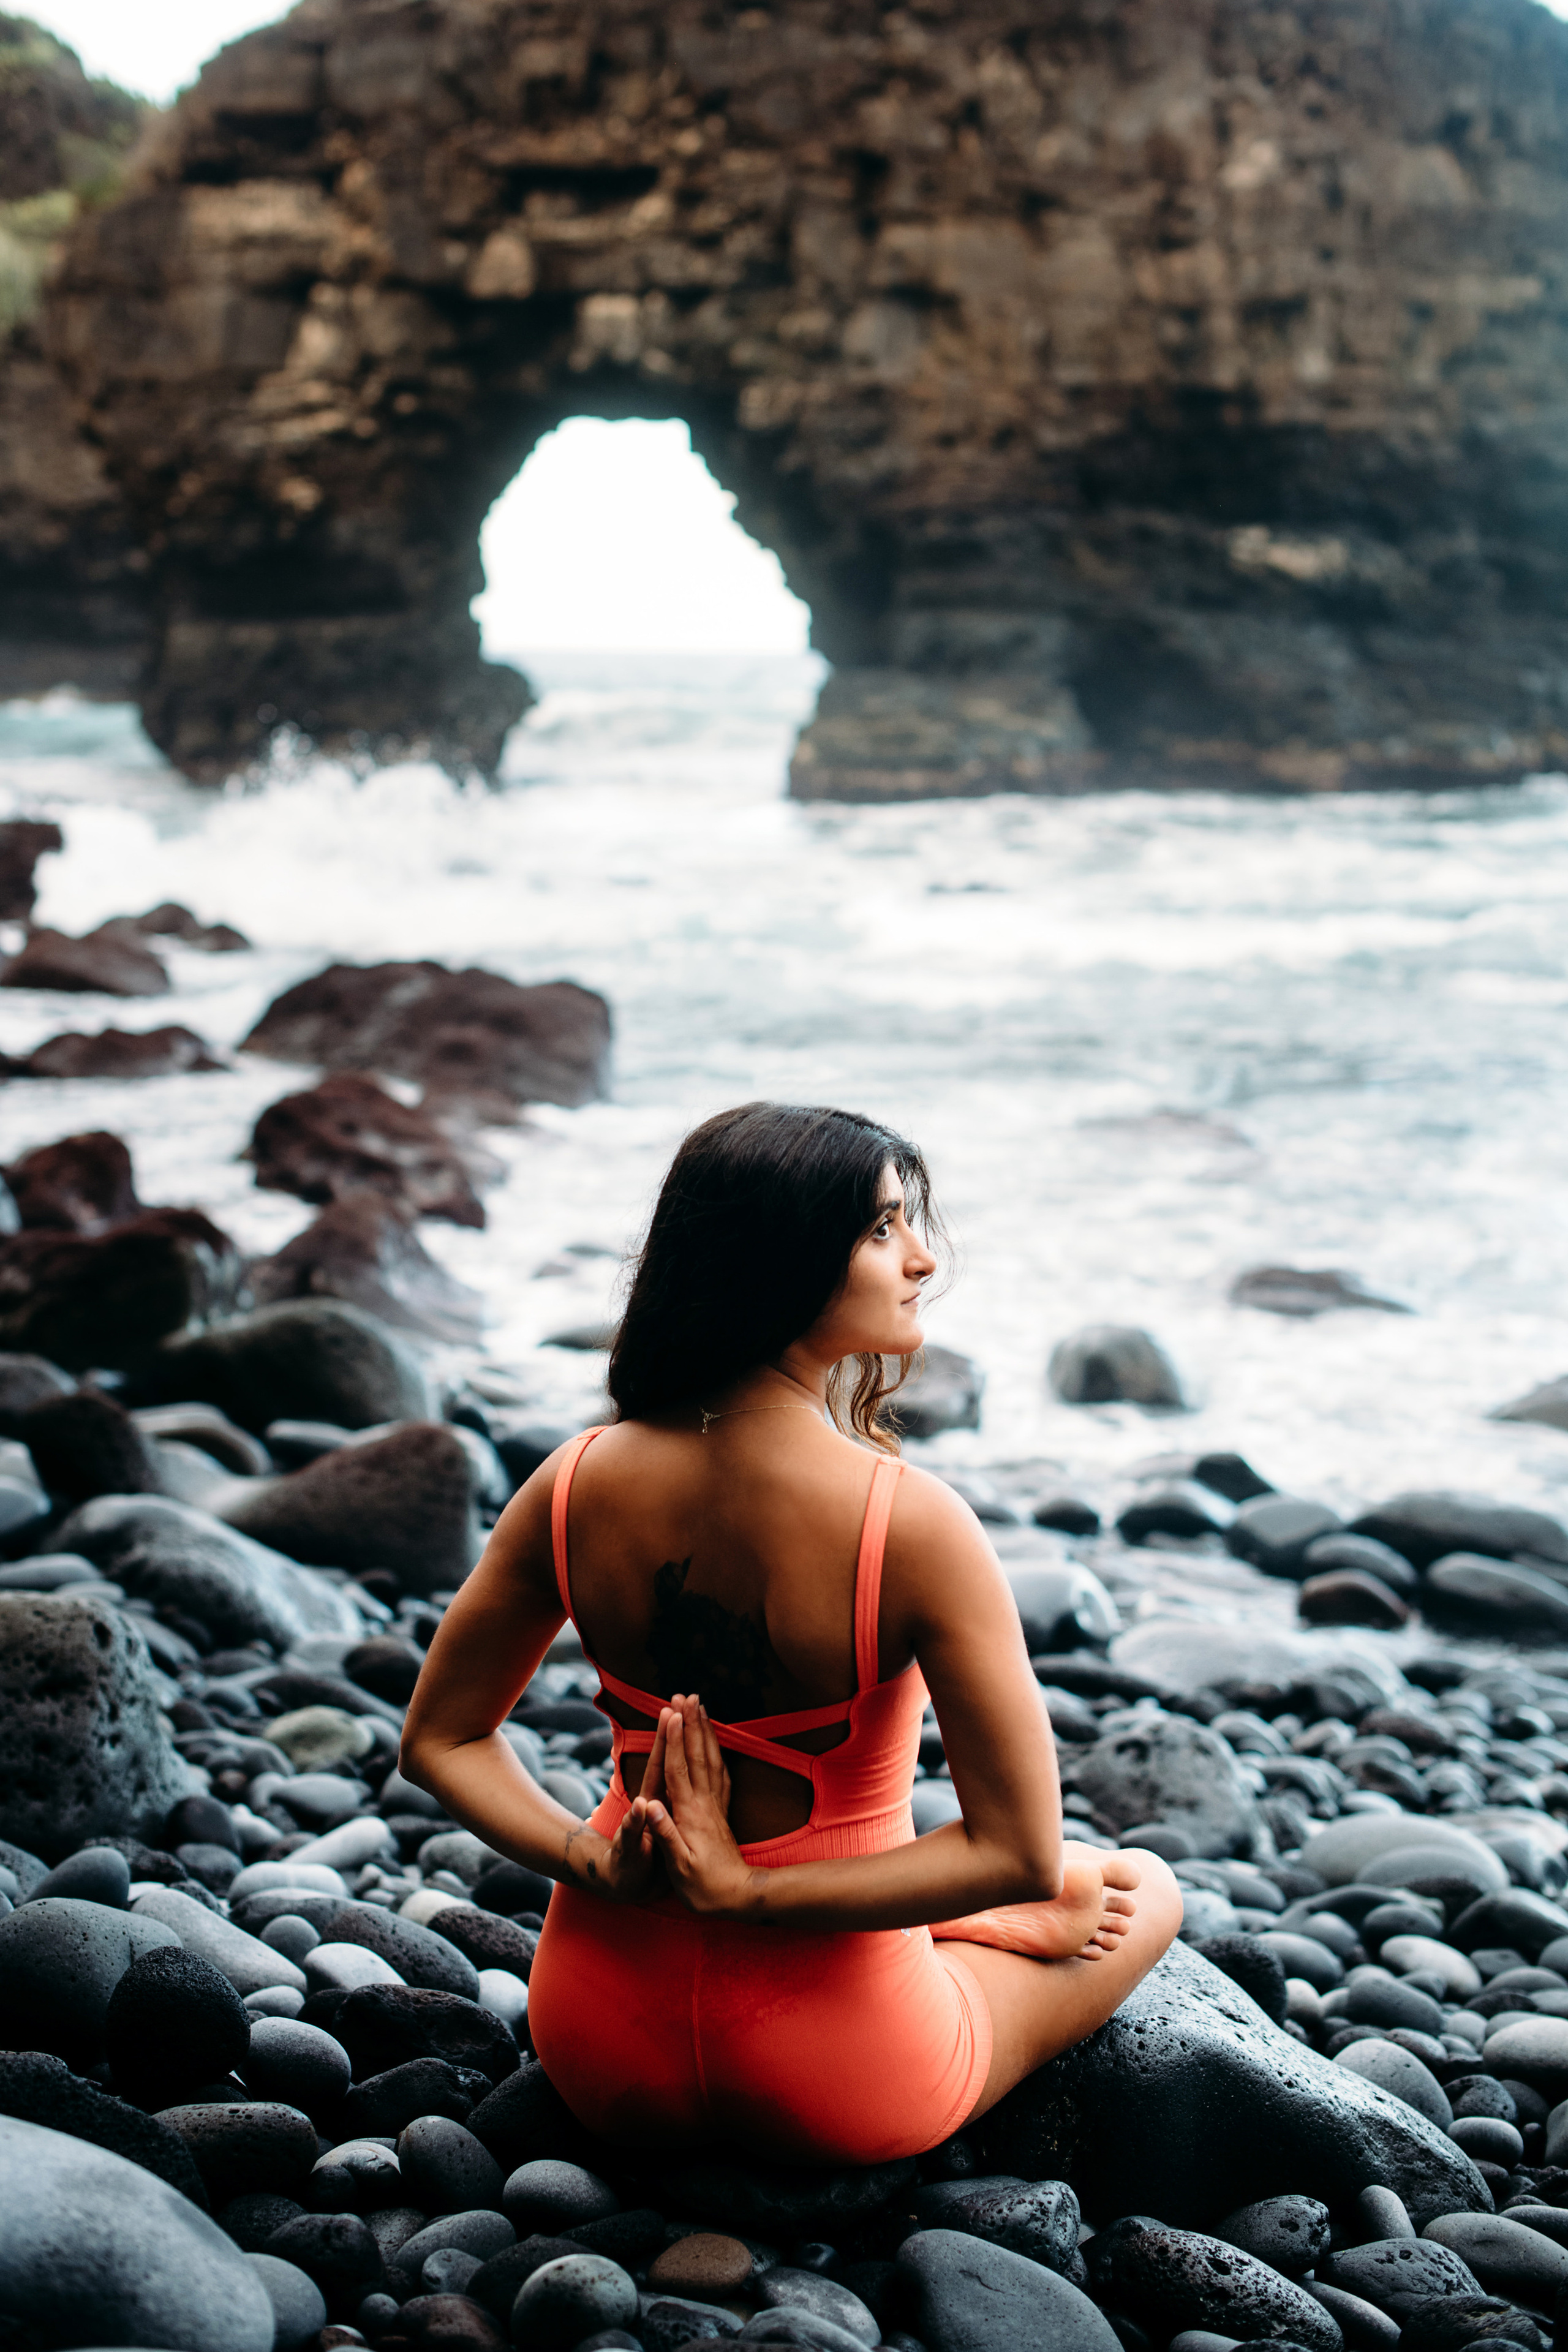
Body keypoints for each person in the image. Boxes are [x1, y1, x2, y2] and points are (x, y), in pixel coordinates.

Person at [400, 1101, 1182, 2163]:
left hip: (598, 2042)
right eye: (880, 1231)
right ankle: (949, 1935)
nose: (920, 1261)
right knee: (1138, 1888)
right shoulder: (912, 1523)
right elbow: (1018, 1850)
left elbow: (440, 1742)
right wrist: (750, 1892)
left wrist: (592, 1862)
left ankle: (944, 1927)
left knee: (1045, 1887)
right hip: (844, 2069)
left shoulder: (574, 1481)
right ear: (779, 1262)